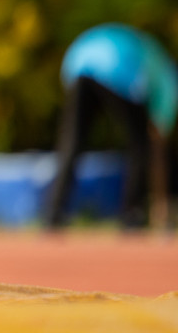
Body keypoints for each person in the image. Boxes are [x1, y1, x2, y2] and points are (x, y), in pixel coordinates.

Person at [44, 23, 177, 229]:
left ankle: (54, 212)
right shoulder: (168, 75)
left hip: (77, 62)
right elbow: (158, 138)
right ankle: (132, 213)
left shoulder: (144, 46)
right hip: (117, 68)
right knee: (140, 145)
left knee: (72, 140)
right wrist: (161, 206)